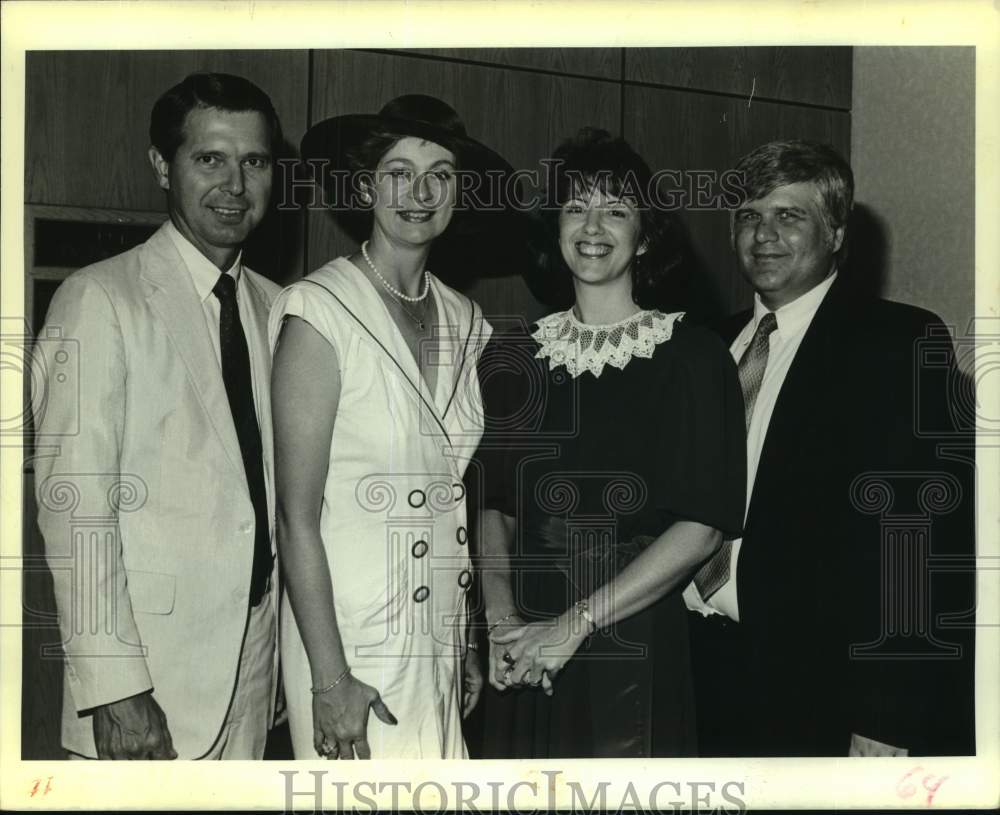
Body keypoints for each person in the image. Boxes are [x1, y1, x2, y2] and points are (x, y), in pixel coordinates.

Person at [684, 139, 976, 757]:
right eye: (749, 216)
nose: (763, 235)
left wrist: (888, 715)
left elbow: (919, 541)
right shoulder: (707, 343)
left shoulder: (898, 342)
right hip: (690, 674)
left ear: (837, 233)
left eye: (789, 216)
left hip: (819, 692)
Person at [31, 73, 284, 759]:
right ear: (161, 167)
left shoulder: (278, 306)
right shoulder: (100, 300)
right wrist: (115, 687)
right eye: (210, 159)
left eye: (254, 162)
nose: (235, 184)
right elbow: (74, 506)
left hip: (255, 674)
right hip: (149, 686)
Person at [476, 128, 746, 758]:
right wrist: (503, 622)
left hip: (634, 632)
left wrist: (571, 627)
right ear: (554, 226)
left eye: (616, 210)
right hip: (525, 633)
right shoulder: (515, 353)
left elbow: (701, 530)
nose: (592, 226)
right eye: (576, 206)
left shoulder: (694, 356)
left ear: (645, 234)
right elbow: (496, 508)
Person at [270, 95, 509, 759]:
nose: (419, 191)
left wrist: (461, 636)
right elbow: (294, 518)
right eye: (398, 170)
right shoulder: (321, 311)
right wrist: (330, 677)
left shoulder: (465, 319)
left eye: (440, 173)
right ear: (365, 184)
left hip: (433, 636)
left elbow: (449, 490)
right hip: (347, 642)